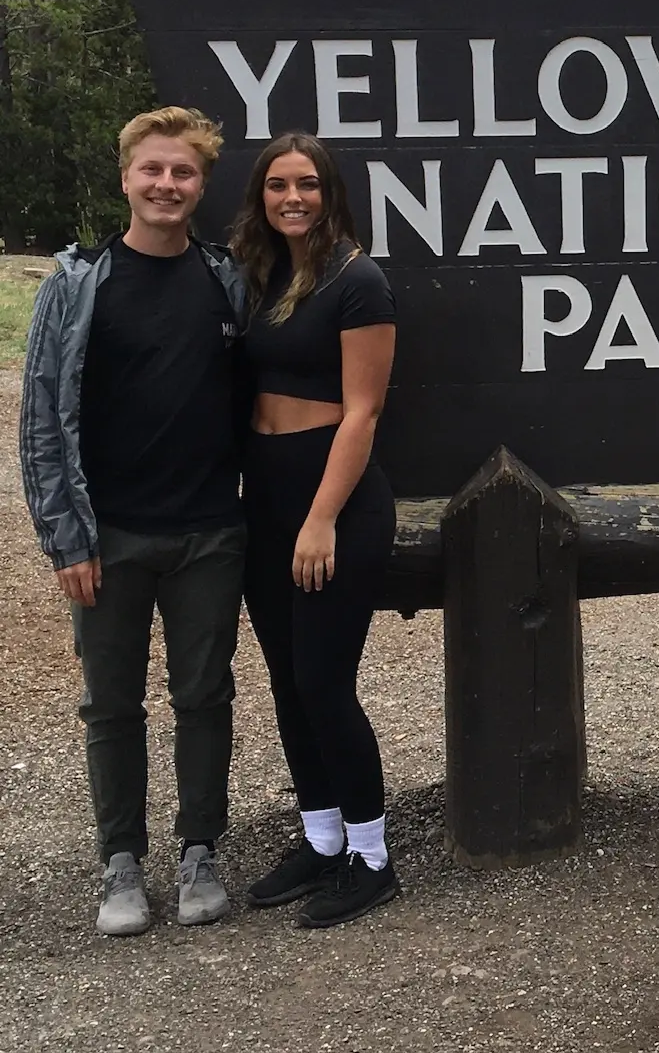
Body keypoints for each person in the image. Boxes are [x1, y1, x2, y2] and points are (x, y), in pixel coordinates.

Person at [18, 106, 248, 937]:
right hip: (107, 534)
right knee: (110, 705)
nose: (167, 184)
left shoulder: (227, 281)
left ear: (201, 185)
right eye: (153, 169)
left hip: (210, 531)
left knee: (204, 695)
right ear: (125, 178)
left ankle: (199, 853)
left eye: (183, 172)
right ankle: (120, 861)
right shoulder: (78, 284)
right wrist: (64, 537)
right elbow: (42, 419)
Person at [230, 131, 400, 929]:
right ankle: (323, 839)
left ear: (330, 194)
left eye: (307, 184)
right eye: (277, 185)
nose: (291, 198)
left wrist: (322, 517)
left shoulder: (357, 280)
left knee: (324, 683)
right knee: (288, 681)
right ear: (260, 196)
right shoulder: (262, 275)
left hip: (332, 499)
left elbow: (363, 411)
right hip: (265, 496)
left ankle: (372, 858)